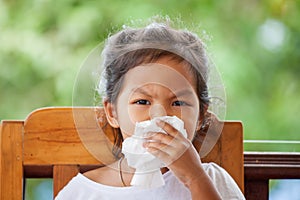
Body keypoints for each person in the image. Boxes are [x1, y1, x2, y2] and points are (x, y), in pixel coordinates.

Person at [55, 17, 245, 200]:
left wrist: (195, 178)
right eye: (142, 102)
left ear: (201, 116)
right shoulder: (82, 192)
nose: (159, 115)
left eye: (178, 103)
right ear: (112, 112)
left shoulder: (211, 180)